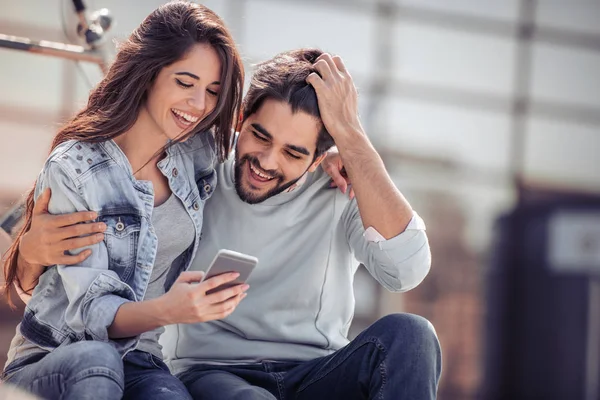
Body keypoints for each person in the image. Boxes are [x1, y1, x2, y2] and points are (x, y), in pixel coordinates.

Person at [11, 49, 442, 399]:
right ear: (239, 121)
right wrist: (29, 249)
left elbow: (406, 272)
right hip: (213, 373)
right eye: (260, 136)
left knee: (412, 335)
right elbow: (70, 200)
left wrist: (353, 140)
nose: (267, 163)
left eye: (294, 153)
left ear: (316, 159)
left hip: (317, 371)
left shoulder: (344, 186)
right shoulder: (196, 162)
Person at [1, 2, 247, 399]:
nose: (199, 105)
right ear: (150, 73)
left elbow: (264, 152)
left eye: (213, 91)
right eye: (185, 83)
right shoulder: (76, 168)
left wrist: (331, 157)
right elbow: (92, 316)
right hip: (60, 356)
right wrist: (173, 309)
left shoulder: (197, 149)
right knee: (98, 362)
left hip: (140, 357)